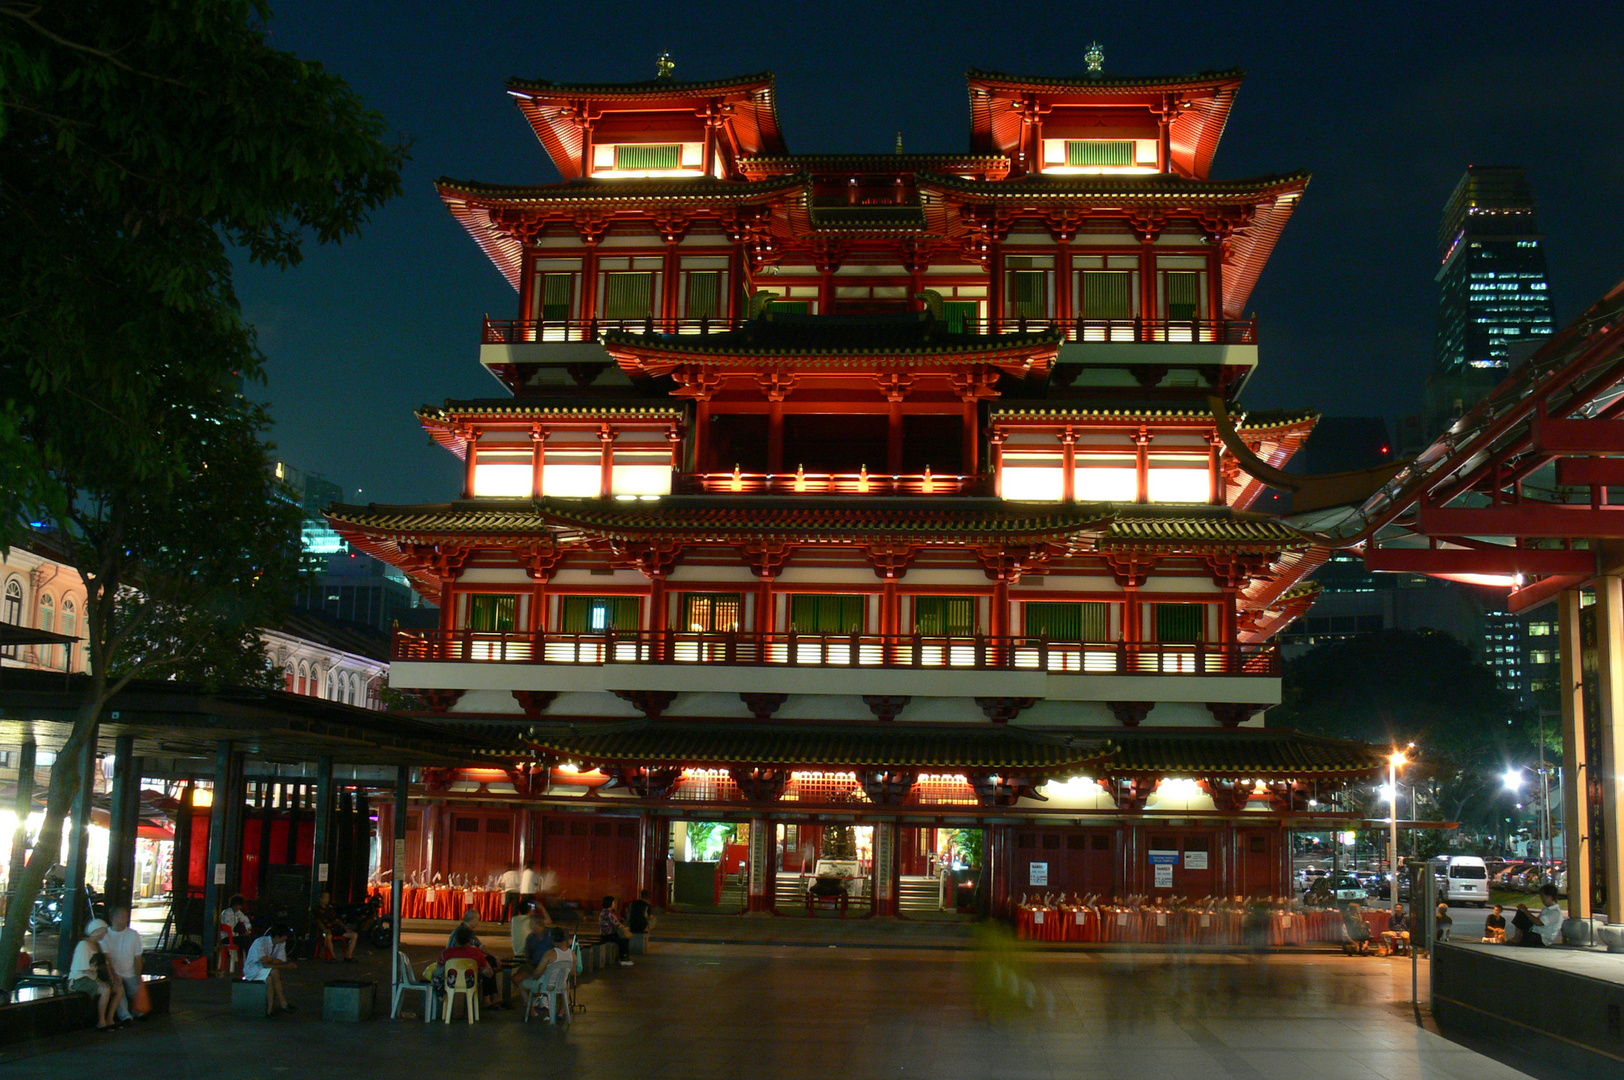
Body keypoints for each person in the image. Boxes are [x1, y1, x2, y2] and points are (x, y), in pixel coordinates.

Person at [68, 918, 123, 1031]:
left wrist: (111, 978)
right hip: (79, 979)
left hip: (92, 978)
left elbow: (104, 964)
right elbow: (85, 969)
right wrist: (98, 981)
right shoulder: (83, 945)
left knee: (119, 989)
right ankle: (101, 1022)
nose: (104, 934)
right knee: (105, 989)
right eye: (102, 931)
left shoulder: (98, 945)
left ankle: (110, 1019)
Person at [440, 923, 501, 1010]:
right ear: (470, 940)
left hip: (450, 982)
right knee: (488, 966)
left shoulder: (447, 953)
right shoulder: (476, 953)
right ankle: (487, 999)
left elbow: (439, 966)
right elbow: (489, 972)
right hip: (470, 981)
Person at [520, 921, 572, 1019]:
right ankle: (561, 1013)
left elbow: (538, 973)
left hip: (546, 985)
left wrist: (533, 976)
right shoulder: (572, 954)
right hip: (561, 985)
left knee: (522, 985)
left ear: (552, 939)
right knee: (567, 985)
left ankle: (533, 1012)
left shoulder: (550, 954)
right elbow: (573, 972)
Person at [243, 924, 298, 1017]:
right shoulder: (260, 942)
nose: (286, 938)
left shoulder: (280, 943)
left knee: (273, 974)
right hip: (253, 969)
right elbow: (265, 962)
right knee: (271, 976)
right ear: (277, 936)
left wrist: (271, 960)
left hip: (264, 968)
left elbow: (279, 960)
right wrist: (283, 965)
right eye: (284, 936)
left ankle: (275, 1006)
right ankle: (276, 1006)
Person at [103, 907, 146, 1021]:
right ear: (112, 919)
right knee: (119, 989)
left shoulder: (133, 935)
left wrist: (138, 975)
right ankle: (125, 1016)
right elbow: (107, 960)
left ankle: (137, 1011)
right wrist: (113, 975)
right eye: (121, 916)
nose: (124, 919)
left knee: (136, 989)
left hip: (130, 972)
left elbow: (138, 957)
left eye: (126, 916)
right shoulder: (105, 935)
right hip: (114, 972)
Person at [312, 890, 357, 960]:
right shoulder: (317, 910)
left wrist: (344, 927)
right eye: (325, 898)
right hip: (325, 930)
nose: (327, 900)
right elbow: (318, 921)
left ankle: (348, 955)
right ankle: (333, 956)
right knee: (328, 936)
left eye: (328, 898)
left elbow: (337, 919)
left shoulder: (330, 908)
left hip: (335, 928)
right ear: (320, 899)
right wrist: (325, 929)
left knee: (354, 935)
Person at [599, 895, 632, 967]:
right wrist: (625, 928)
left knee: (621, 939)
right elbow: (616, 923)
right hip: (609, 934)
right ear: (610, 903)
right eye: (613, 902)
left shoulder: (603, 912)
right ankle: (623, 959)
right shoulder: (609, 913)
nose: (615, 904)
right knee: (624, 940)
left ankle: (622, 958)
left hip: (604, 934)